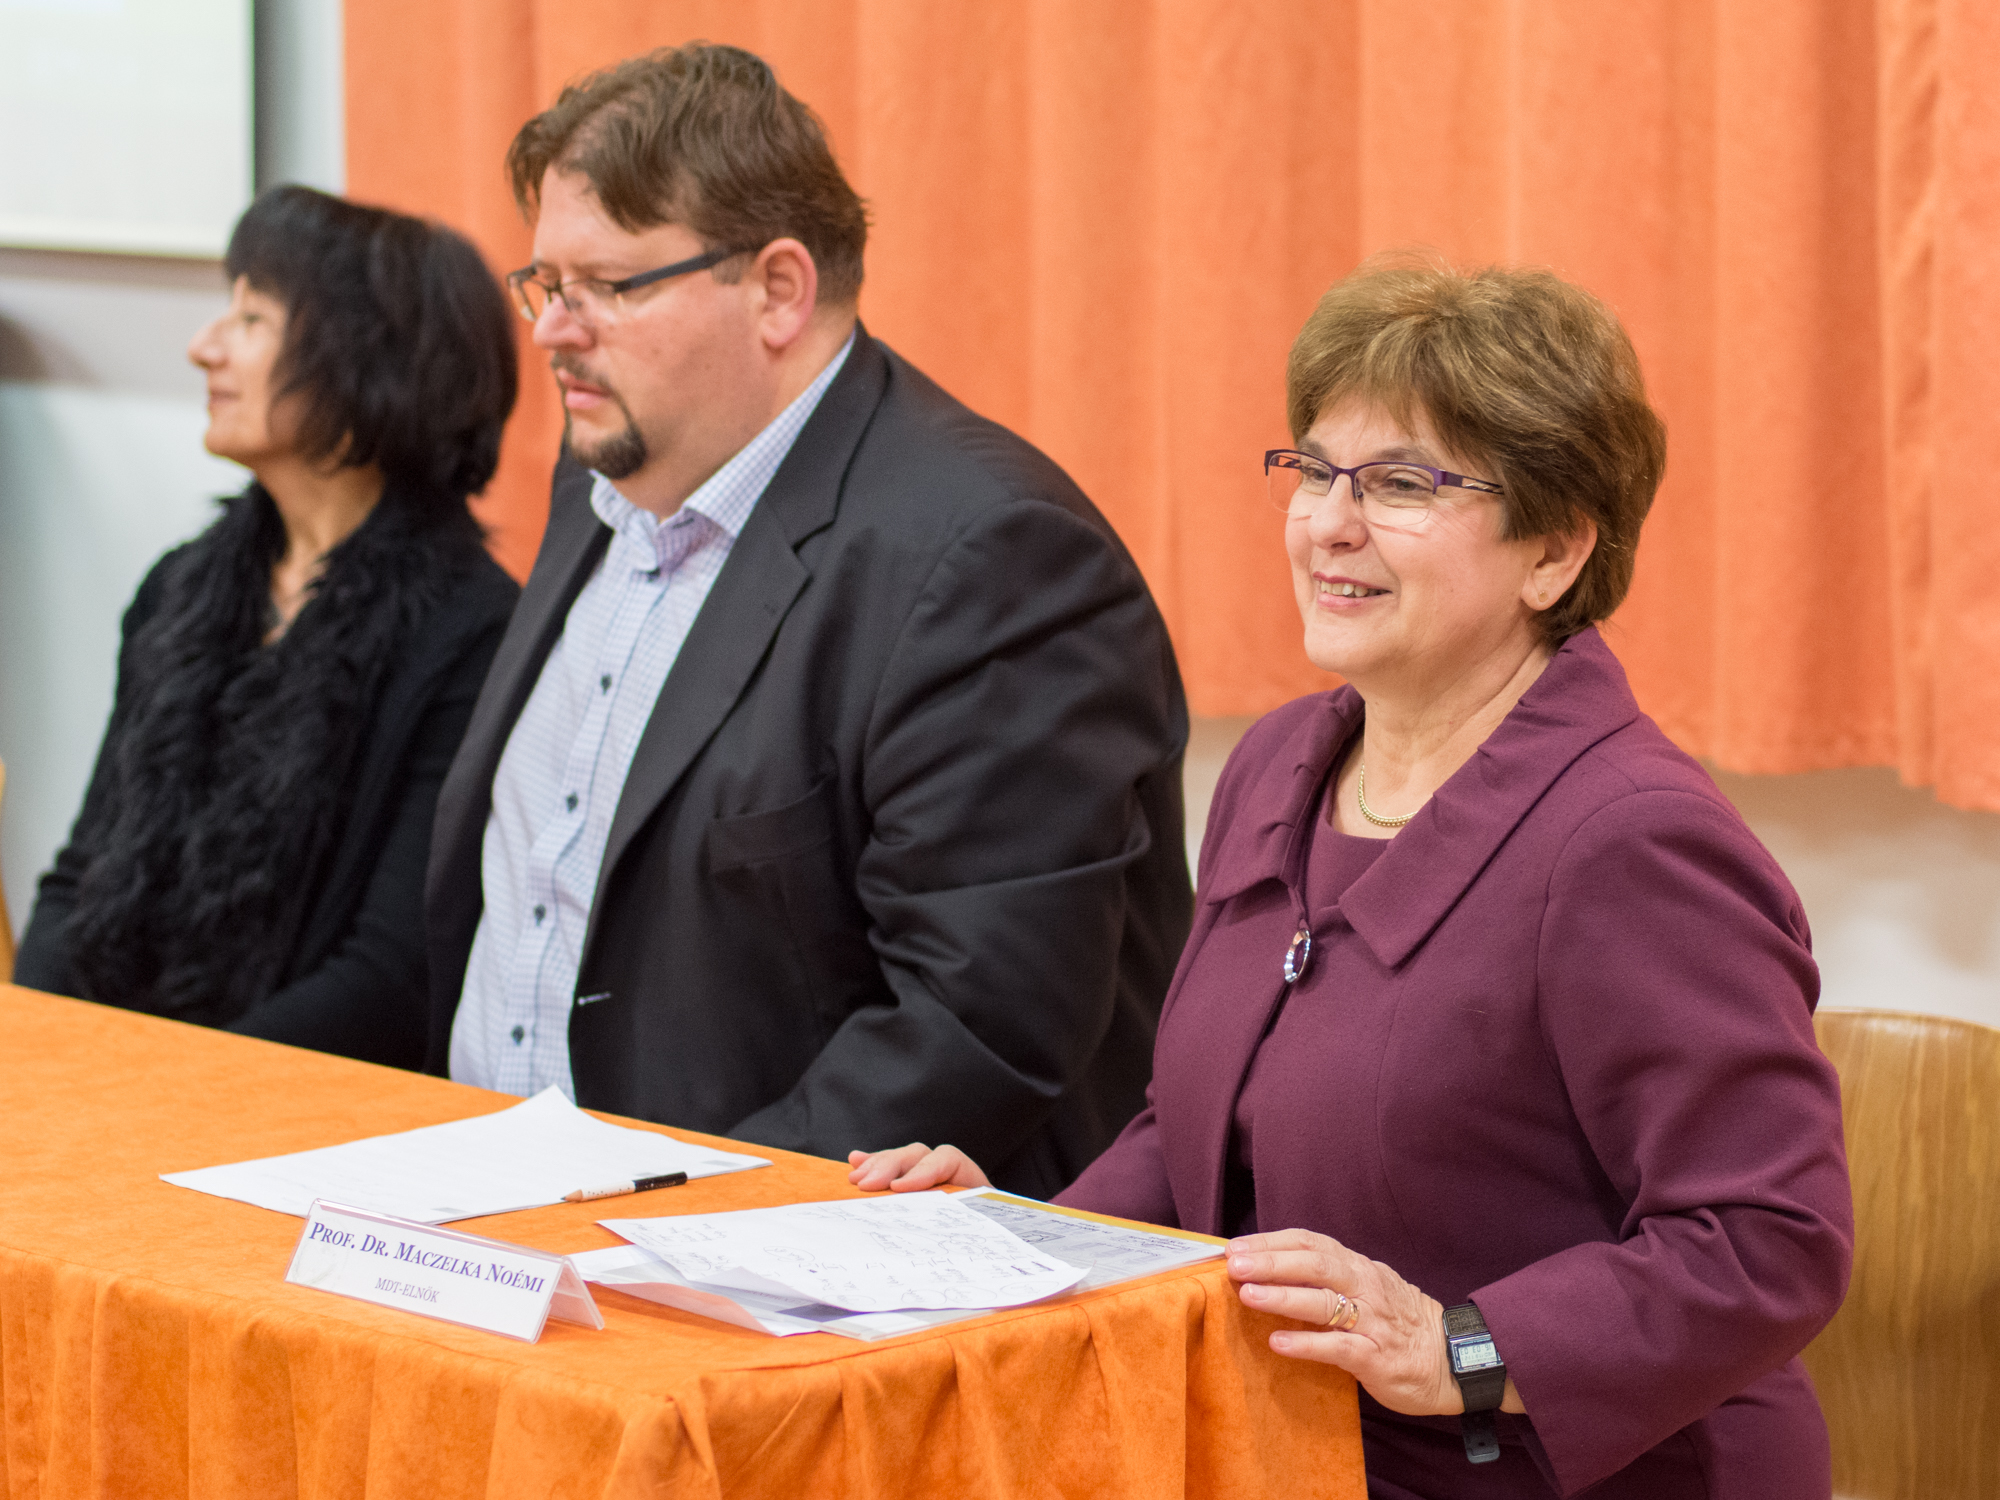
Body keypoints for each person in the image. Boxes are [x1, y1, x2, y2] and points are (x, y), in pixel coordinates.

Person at [850, 258, 1853, 1497]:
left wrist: (1458, 1348)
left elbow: (1768, 1241)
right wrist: (1020, 1245)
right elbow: (1198, 1132)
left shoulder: (1630, 842)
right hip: (1288, 1453)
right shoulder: (1278, 763)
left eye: (1400, 484)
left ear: (1553, 551)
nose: (1328, 522)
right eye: (1315, 470)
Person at [425, 44, 1190, 1199]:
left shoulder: (993, 558)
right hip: (494, 1214)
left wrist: (672, 1215)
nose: (551, 332)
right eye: (546, 284)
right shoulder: (601, 479)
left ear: (778, 290)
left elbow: (977, 1023)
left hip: (755, 1257)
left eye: (608, 287)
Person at [16, 186, 521, 1069]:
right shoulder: (183, 590)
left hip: (299, 1104)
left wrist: (169, 1091)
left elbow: (390, 977)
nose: (203, 347)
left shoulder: (472, 631)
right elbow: (80, 880)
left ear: (362, 358)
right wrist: (43, 1053)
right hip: (125, 1085)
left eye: (251, 319)